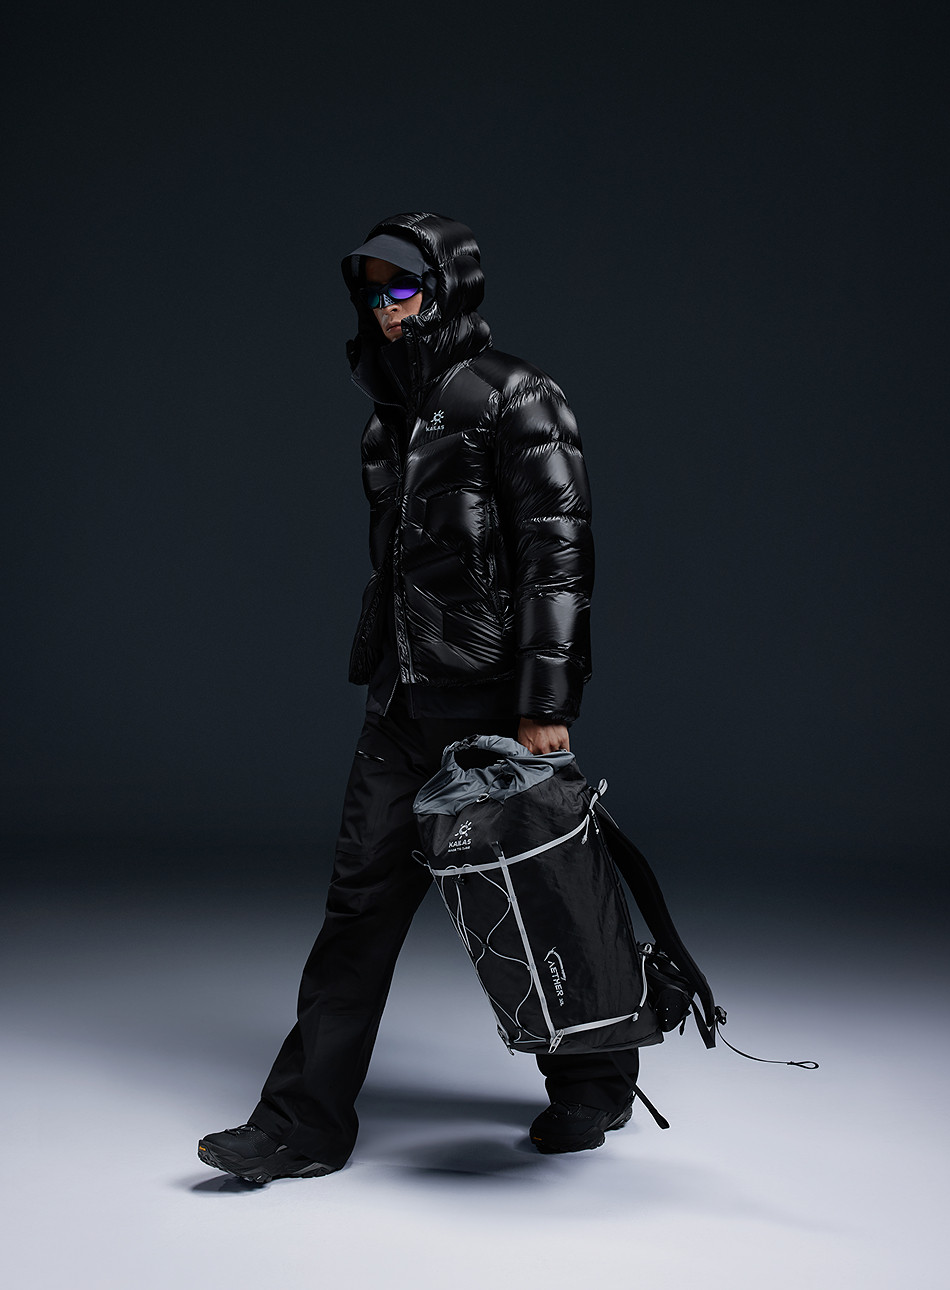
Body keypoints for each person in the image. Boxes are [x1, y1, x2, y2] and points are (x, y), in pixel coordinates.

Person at [198, 212, 639, 1184]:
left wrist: (545, 703)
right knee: (357, 910)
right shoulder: (387, 416)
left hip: (494, 707)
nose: (385, 309)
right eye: (371, 293)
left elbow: (557, 556)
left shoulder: (517, 395)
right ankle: (301, 1125)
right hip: (402, 705)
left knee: (545, 893)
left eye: (402, 288)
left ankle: (596, 1082)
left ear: (447, 288)